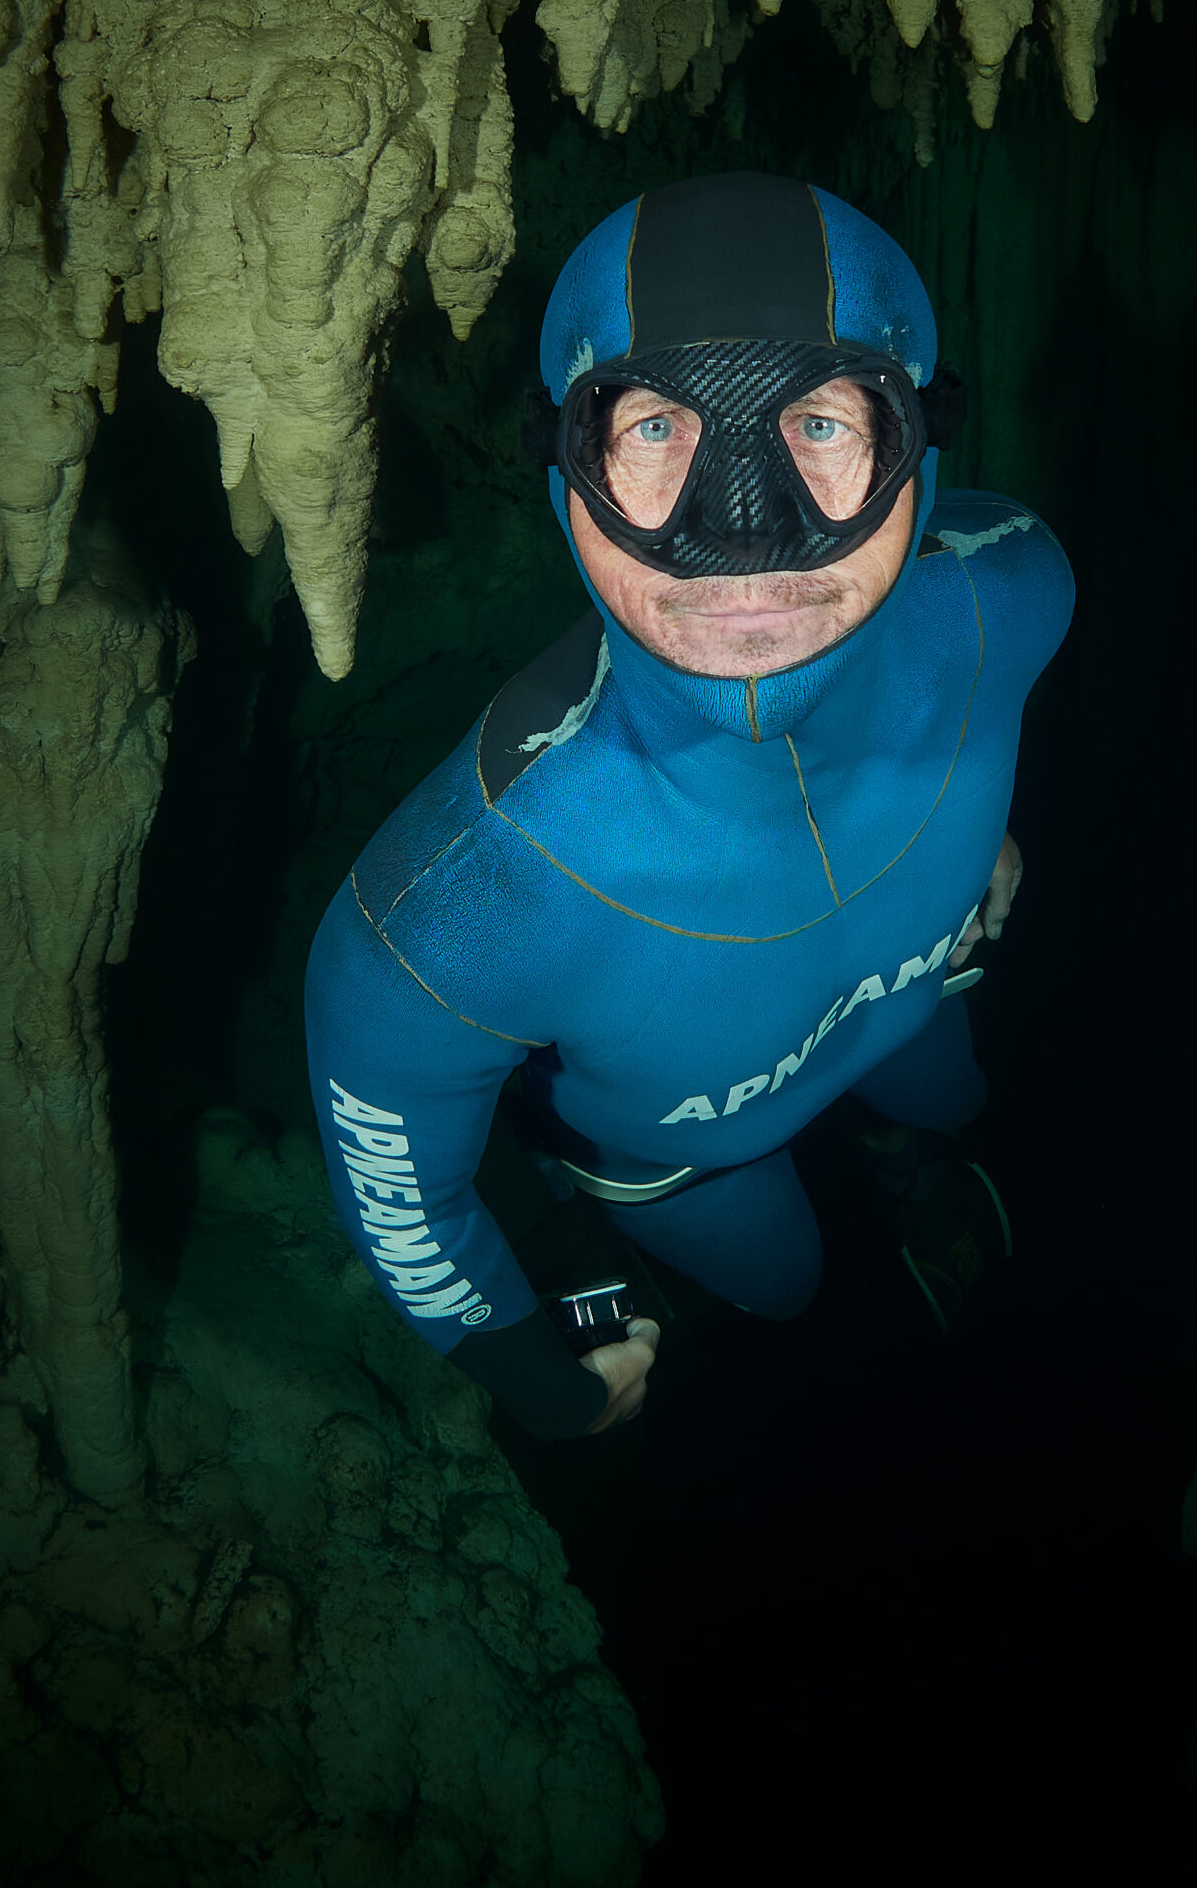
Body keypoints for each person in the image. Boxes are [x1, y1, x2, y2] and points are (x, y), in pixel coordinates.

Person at [304, 173, 1073, 1438]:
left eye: (825, 423)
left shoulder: (1020, 592)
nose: (744, 532)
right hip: (681, 1163)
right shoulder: (447, 925)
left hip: (922, 987)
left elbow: (991, 682)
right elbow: (405, 1205)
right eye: (653, 430)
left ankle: (900, 1159)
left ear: (923, 445)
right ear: (560, 466)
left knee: (950, 1109)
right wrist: (545, 1385)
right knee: (787, 1286)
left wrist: (982, 815)